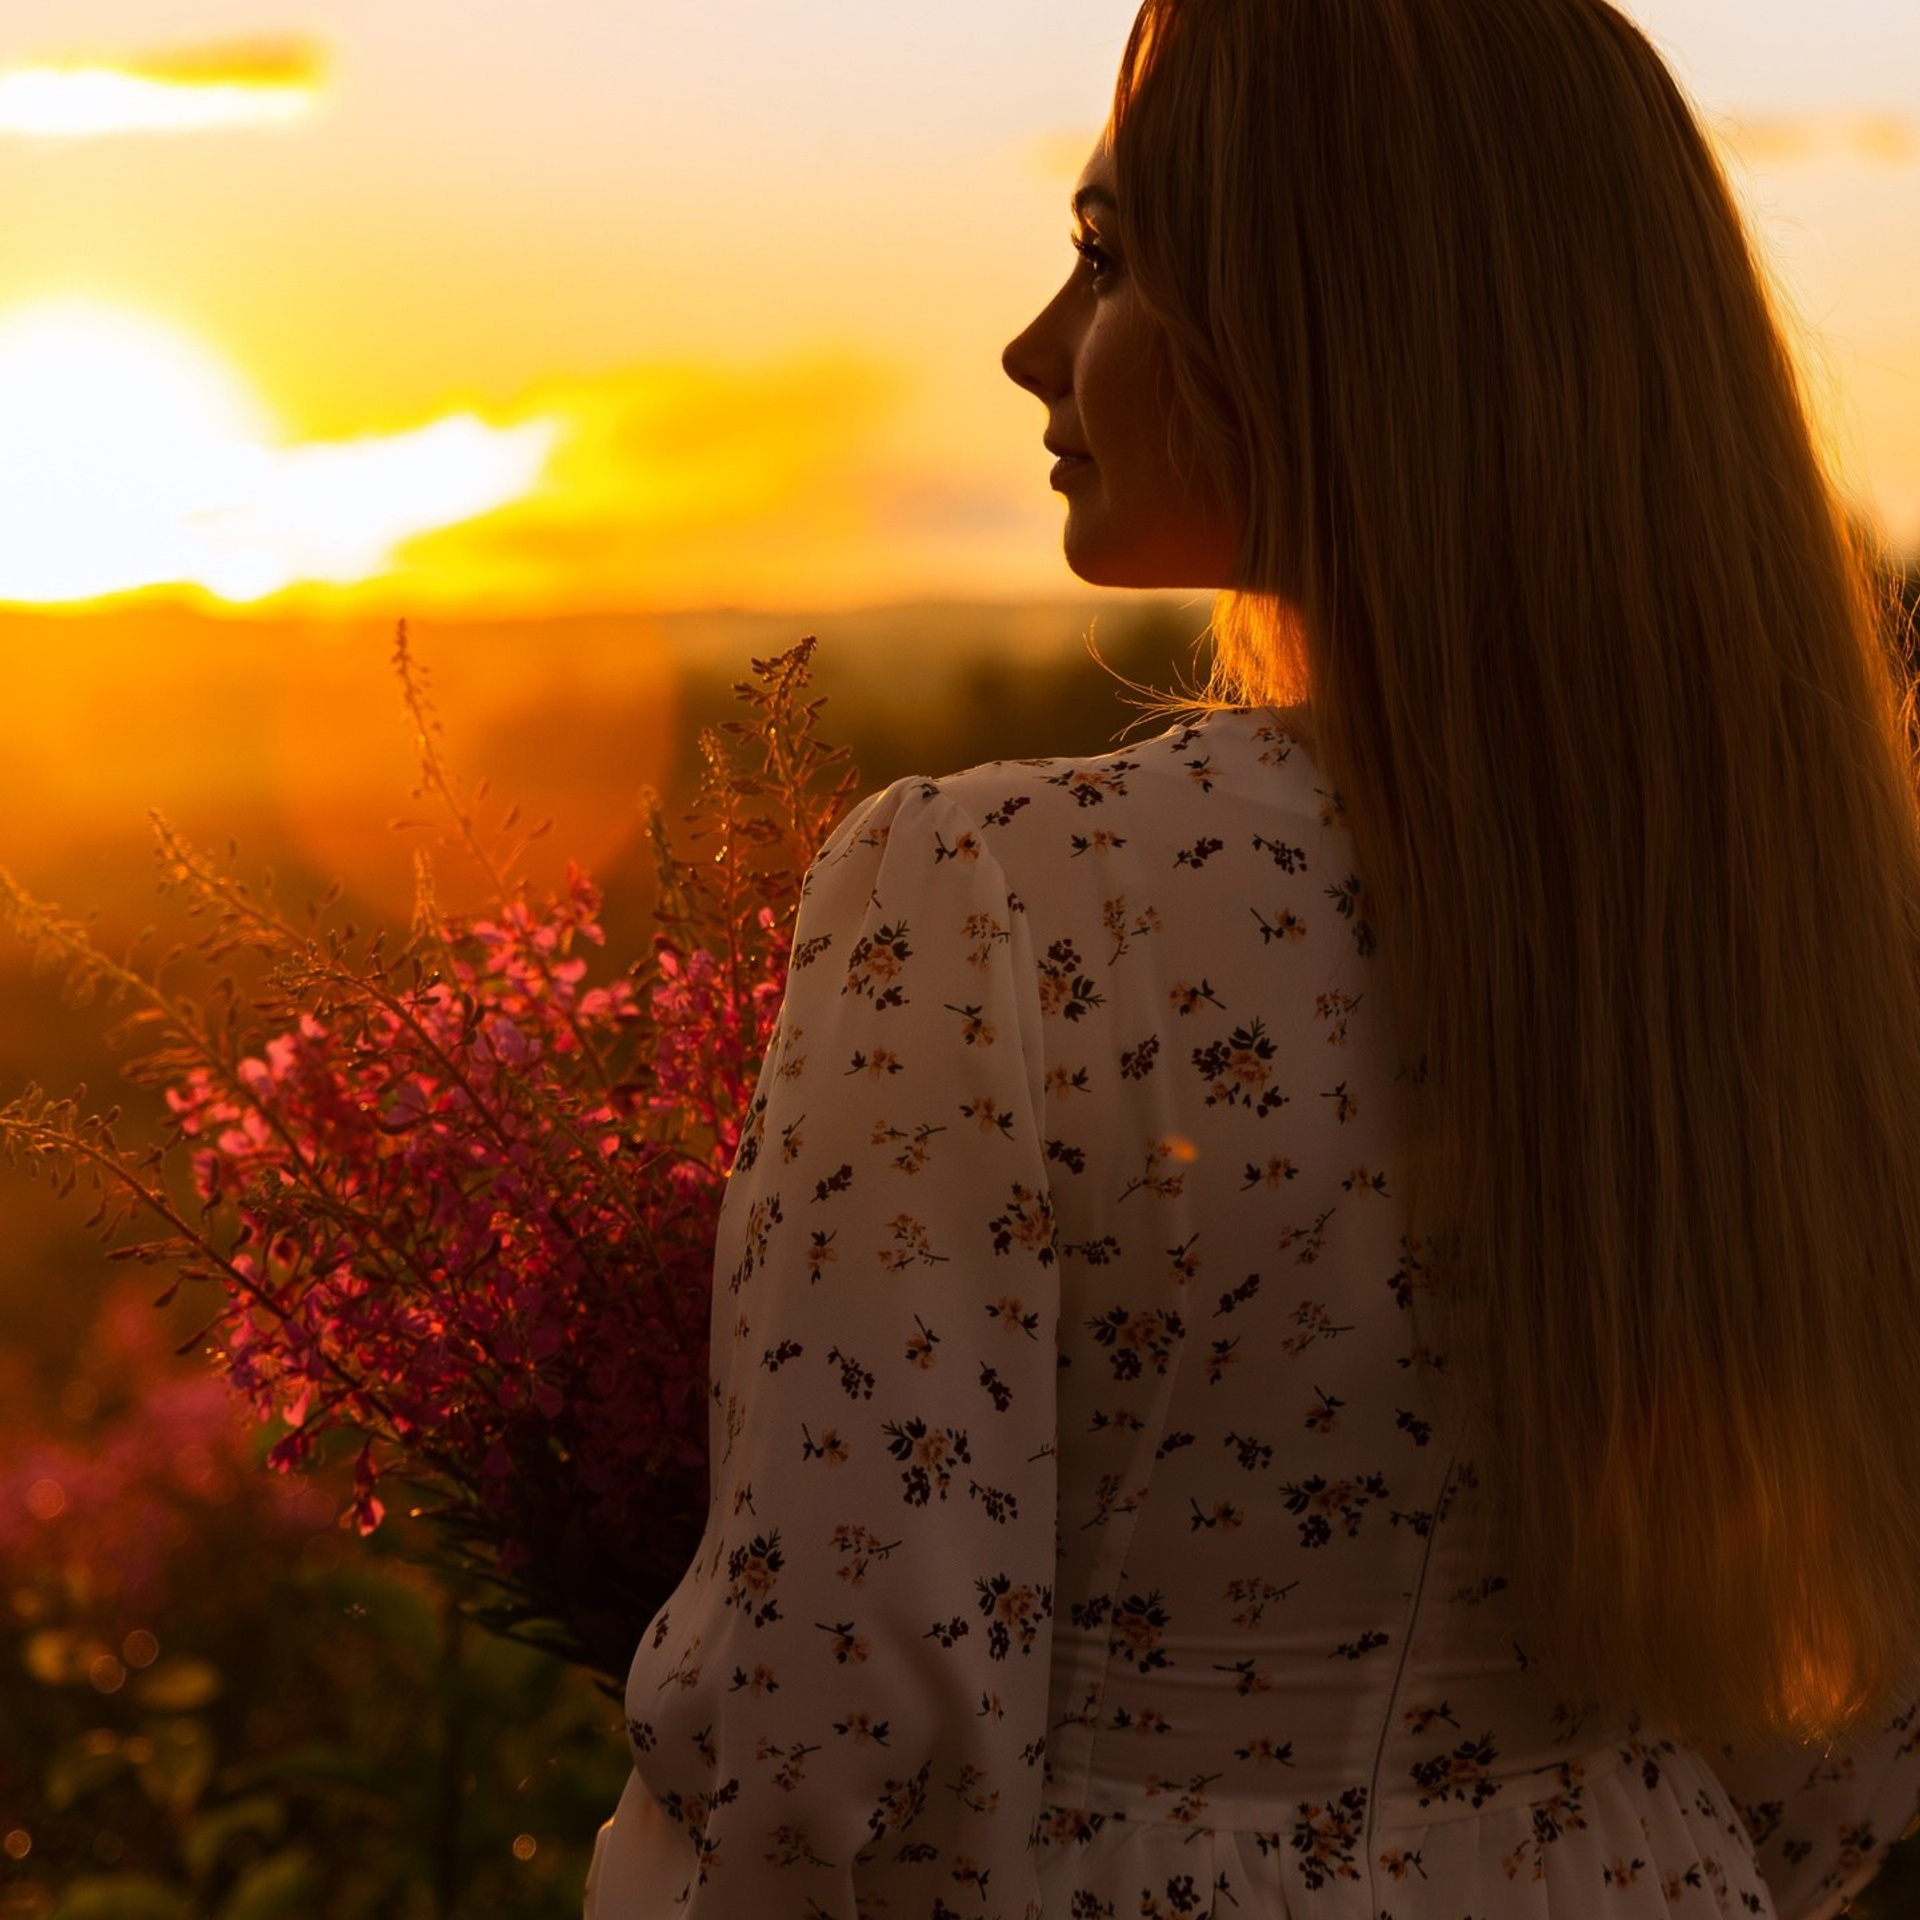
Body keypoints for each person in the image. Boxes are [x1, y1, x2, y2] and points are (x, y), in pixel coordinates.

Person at [585, 0, 1920, 1911]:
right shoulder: (1812, 926)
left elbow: (831, 1730)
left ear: (1345, 328)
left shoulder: (992, 901)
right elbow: (1854, 1710)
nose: (1032, 343)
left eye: (1110, 260)